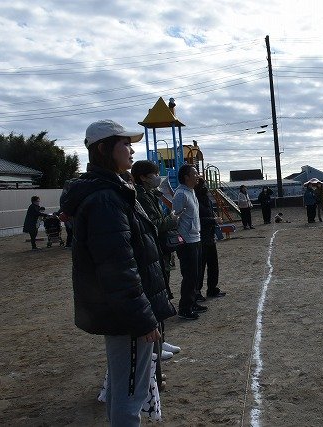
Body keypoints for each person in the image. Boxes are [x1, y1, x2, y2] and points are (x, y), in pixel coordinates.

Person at [60, 119, 175, 425]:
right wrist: (142, 318)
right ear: (103, 149)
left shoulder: (112, 190)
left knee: (123, 388)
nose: (131, 149)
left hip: (121, 312)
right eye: (124, 143)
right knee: (130, 394)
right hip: (125, 316)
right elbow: (118, 267)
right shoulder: (106, 199)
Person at [131, 160, 181, 363]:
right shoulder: (140, 197)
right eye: (154, 173)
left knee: (161, 295)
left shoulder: (151, 194)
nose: (158, 177)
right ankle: (155, 345)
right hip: (152, 252)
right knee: (154, 298)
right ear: (143, 177)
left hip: (159, 252)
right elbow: (153, 224)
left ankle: (161, 339)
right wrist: (172, 219)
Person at [173, 164, 208, 320]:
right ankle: (185, 308)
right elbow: (175, 219)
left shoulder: (191, 191)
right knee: (189, 275)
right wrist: (181, 239)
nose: (197, 175)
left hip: (196, 237)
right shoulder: (181, 194)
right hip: (187, 241)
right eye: (194, 173)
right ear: (186, 177)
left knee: (196, 273)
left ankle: (192, 302)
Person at [194, 178, 225, 300]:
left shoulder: (206, 199)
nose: (205, 188)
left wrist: (214, 219)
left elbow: (209, 214)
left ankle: (212, 289)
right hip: (201, 237)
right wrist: (213, 220)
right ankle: (197, 292)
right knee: (200, 267)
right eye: (203, 185)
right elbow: (197, 220)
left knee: (213, 265)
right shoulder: (195, 199)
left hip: (210, 236)